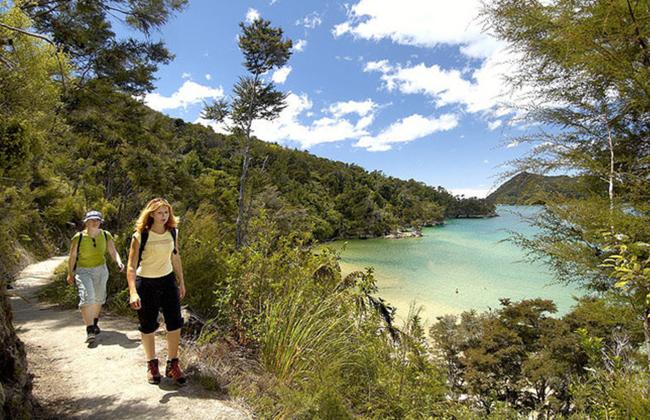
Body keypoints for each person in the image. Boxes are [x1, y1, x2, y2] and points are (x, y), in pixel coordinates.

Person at [127, 198, 187, 385]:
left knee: (175, 322)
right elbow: (131, 266)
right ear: (151, 214)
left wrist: (181, 282)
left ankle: (173, 363)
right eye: (160, 213)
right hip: (146, 283)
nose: (164, 216)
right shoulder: (140, 236)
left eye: (166, 212)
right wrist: (132, 292)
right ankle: (152, 364)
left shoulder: (172, 232)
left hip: (167, 280)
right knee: (147, 325)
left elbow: (175, 257)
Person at [67, 210, 124, 344]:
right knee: (87, 296)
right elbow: (72, 256)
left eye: (97, 220)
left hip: (101, 270)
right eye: (92, 220)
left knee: (99, 298)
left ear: (100, 222)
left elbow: (112, 251)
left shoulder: (105, 235)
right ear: (86, 222)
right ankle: (90, 329)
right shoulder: (78, 237)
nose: (94, 222)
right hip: (83, 270)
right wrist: (70, 273)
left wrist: (119, 262)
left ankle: (94, 322)